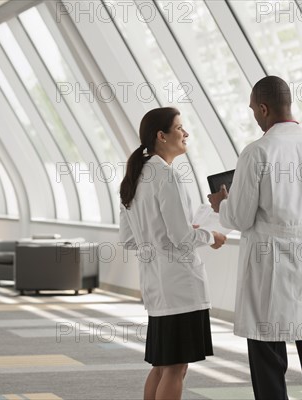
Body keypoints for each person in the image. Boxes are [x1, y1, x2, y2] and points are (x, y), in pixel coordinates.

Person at [208, 76, 302, 399]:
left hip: (268, 268)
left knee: (268, 361)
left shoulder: (257, 152)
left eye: (253, 108)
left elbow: (239, 217)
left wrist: (221, 204)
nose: (254, 114)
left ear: (264, 108)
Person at [119, 107, 227, 400]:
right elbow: (180, 237)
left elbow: (129, 240)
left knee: (162, 366)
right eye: (179, 128)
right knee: (176, 368)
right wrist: (210, 235)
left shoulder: (135, 178)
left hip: (156, 284)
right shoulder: (166, 176)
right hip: (180, 286)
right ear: (161, 136)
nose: (185, 133)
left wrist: (157, 239)